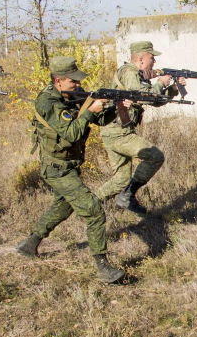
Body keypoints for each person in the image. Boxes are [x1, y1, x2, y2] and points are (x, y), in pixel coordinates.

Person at [15, 56, 125, 284]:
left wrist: (116, 106)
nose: (78, 84)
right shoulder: (47, 102)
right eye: (73, 81)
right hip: (56, 169)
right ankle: (103, 267)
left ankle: (29, 244)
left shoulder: (74, 94)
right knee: (94, 211)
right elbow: (72, 133)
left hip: (70, 166)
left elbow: (101, 120)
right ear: (58, 81)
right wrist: (90, 110)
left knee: (63, 207)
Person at [95, 41, 186, 214]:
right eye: (152, 58)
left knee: (121, 181)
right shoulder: (129, 72)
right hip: (119, 133)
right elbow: (142, 96)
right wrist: (160, 83)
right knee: (155, 156)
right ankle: (125, 196)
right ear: (142, 59)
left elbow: (154, 101)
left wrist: (173, 89)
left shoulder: (135, 75)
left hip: (116, 130)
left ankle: (92, 204)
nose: (154, 62)